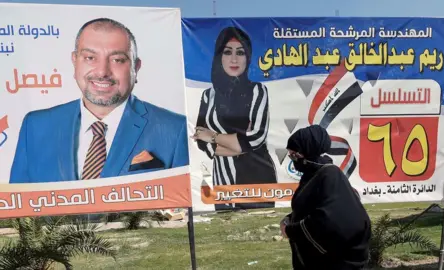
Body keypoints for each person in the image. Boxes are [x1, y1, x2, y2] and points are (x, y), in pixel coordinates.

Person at [9, 18, 189, 184]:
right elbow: (17, 211)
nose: (102, 72)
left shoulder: (175, 129)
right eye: (90, 58)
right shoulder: (35, 126)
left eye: (117, 60)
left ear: (136, 67)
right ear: (75, 61)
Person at [192, 26, 277, 210]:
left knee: (258, 233)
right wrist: (238, 147)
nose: (233, 59)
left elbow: (255, 138)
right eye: (227, 52)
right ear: (219, 57)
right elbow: (200, 137)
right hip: (222, 179)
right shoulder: (209, 95)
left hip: (256, 177)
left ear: (248, 58)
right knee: (226, 230)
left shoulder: (257, 91)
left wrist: (213, 137)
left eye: (240, 52)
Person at [280, 125, 371, 270]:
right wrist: (290, 218)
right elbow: (310, 206)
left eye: (294, 155)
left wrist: (291, 230)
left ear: (307, 152)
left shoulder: (330, 175)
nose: (292, 159)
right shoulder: (312, 176)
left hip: (338, 262)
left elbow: (330, 219)